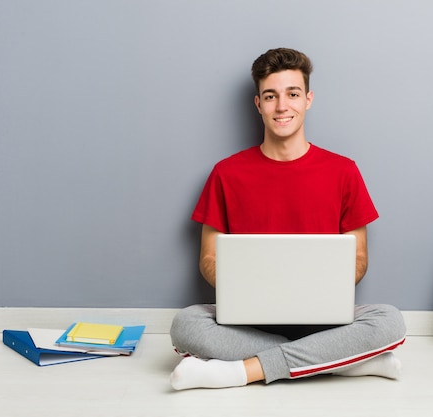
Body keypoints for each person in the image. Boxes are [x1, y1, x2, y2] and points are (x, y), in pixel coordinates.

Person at [169, 48, 406, 390]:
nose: (282, 106)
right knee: (186, 324)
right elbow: (208, 258)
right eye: (271, 96)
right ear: (258, 104)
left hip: (324, 322)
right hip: (247, 322)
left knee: (390, 320)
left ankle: (240, 372)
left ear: (308, 99)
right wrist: (251, 289)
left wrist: (312, 291)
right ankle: (340, 362)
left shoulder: (344, 171)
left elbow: (358, 258)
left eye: (292, 94)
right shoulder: (226, 173)